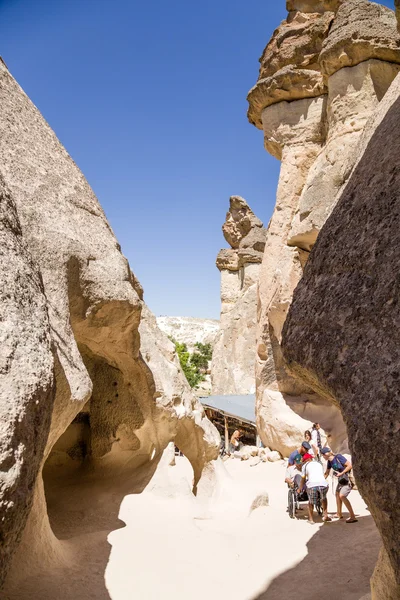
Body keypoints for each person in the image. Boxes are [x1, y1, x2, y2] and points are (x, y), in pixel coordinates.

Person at [322, 447, 358, 523]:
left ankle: (353, 516)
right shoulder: (329, 462)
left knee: (342, 496)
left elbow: (349, 465)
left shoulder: (338, 457)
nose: (323, 457)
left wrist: (341, 473)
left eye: (323, 455)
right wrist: (321, 480)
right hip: (341, 480)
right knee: (337, 494)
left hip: (347, 479)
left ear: (326, 454)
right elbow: (327, 473)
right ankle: (339, 513)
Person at [297, 453, 331, 524]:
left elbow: (303, 479)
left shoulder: (305, 466)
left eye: (304, 461)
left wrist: (300, 488)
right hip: (323, 484)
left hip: (312, 485)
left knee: (311, 502)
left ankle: (311, 519)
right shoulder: (319, 464)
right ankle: (326, 516)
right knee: (324, 498)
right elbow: (322, 474)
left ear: (307, 460)